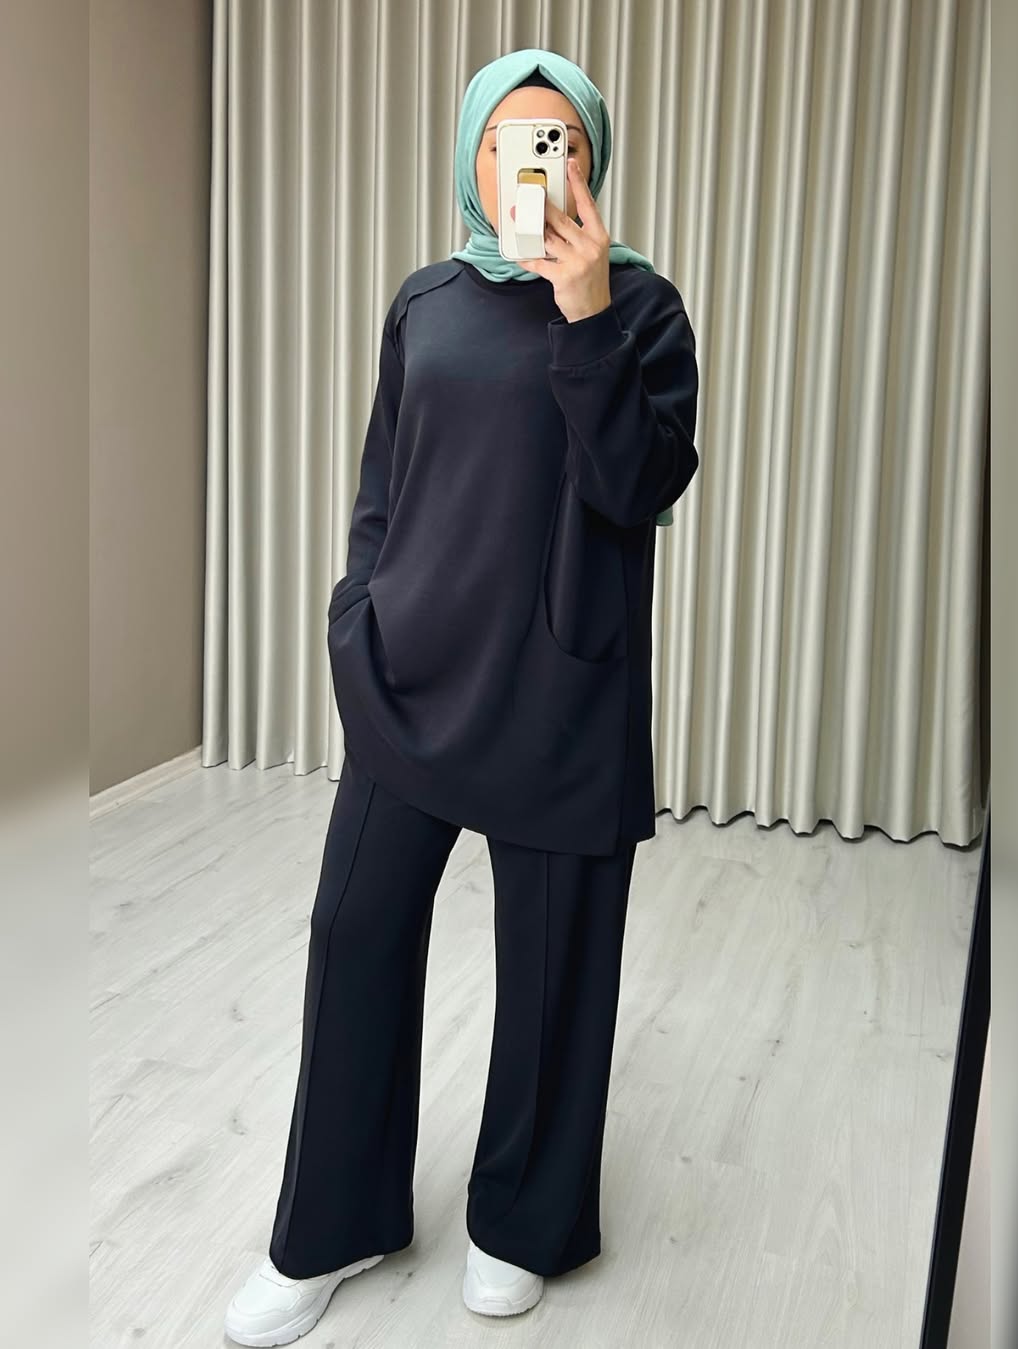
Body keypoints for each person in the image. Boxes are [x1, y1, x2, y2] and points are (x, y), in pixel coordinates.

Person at [224, 47, 699, 1346]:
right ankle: (332, 1225)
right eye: (511, 141)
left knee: (554, 978)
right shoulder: (425, 301)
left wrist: (585, 313)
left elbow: (638, 486)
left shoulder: (644, 309)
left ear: (592, 163)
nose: (535, 165)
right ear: (472, 159)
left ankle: (520, 1224)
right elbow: (386, 478)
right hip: (411, 677)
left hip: (563, 697)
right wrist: (357, 612)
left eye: (562, 143)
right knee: (355, 937)